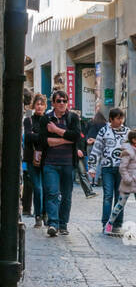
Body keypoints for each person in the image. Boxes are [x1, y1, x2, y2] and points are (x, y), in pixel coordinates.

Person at [35, 90, 82, 237]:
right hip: (50, 163)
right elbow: (43, 141)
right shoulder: (46, 119)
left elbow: (76, 137)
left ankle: (63, 224)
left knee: (67, 195)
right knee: (52, 193)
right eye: (59, 101)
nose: (62, 103)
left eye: (64, 101)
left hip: (68, 163)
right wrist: (66, 138)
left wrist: (56, 131)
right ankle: (53, 224)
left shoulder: (73, 118)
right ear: (53, 103)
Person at [105, 130, 136, 239]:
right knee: (120, 205)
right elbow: (123, 168)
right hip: (129, 183)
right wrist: (128, 179)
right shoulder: (127, 151)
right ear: (134, 140)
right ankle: (109, 224)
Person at [91, 108, 129, 234]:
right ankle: (106, 223)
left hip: (122, 169)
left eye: (121, 118)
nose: (120, 121)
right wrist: (92, 167)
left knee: (120, 197)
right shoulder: (103, 131)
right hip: (107, 168)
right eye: (117, 118)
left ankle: (118, 223)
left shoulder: (127, 132)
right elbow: (97, 149)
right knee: (108, 196)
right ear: (111, 119)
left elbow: (133, 149)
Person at [22, 93, 47, 226]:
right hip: (32, 159)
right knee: (37, 188)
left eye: (42, 104)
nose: (39, 106)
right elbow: (28, 136)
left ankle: (45, 214)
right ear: (33, 105)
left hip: (47, 159)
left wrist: (36, 136)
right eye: (37, 104)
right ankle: (38, 215)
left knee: (47, 188)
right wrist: (42, 137)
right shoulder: (28, 120)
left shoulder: (48, 120)